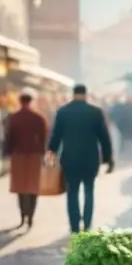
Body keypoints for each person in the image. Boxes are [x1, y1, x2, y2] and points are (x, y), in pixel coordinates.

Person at [48, 84, 113, 233]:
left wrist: (51, 152)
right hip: (90, 159)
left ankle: (75, 225)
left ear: (73, 94)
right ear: (85, 94)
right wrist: (108, 158)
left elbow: (56, 135)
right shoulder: (95, 112)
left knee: (72, 192)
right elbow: (104, 138)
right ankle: (87, 223)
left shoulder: (63, 112)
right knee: (89, 191)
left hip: (70, 158)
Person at [3, 88, 48, 229]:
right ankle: (31, 217)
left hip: (18, 155)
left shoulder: (13, 117)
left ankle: (23, 216)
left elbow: (8, 137)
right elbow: (44, 139)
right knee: (33, 186)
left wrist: (7, 153)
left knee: (20, 187)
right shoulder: (39, 118)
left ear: (19, 101)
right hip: (35, 155)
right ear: (32, 101)